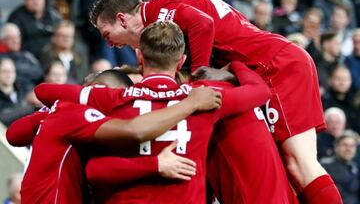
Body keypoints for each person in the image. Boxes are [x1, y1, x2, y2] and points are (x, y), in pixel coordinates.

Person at [90, 0, 342, 203]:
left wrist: (201, 73)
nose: (110, 44)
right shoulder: (168, 3)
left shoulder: (158, 10)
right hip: (269, 62)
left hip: (274, 65)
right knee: (292, 171)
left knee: (300, 165)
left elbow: (203, 23)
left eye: (107, 35)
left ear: (122, 19)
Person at [33, 21, 292, 203]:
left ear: (139, 57)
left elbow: (45, 92)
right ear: (180, 61)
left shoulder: (113, 97)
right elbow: (260, 92)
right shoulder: (207, 100)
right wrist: (233, 66)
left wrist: (70, 105)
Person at [6, 83, 220, 203]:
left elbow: (13, 135)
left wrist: (43, 116)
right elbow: (135, 130)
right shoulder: (75, 114)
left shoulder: (59, 113)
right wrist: (191, 103)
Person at [320, 131, 360, 204]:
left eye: (352, 146)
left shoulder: (355, 167)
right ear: (336, 147)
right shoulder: (325, 165)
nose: (349, 149)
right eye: (345, 145)